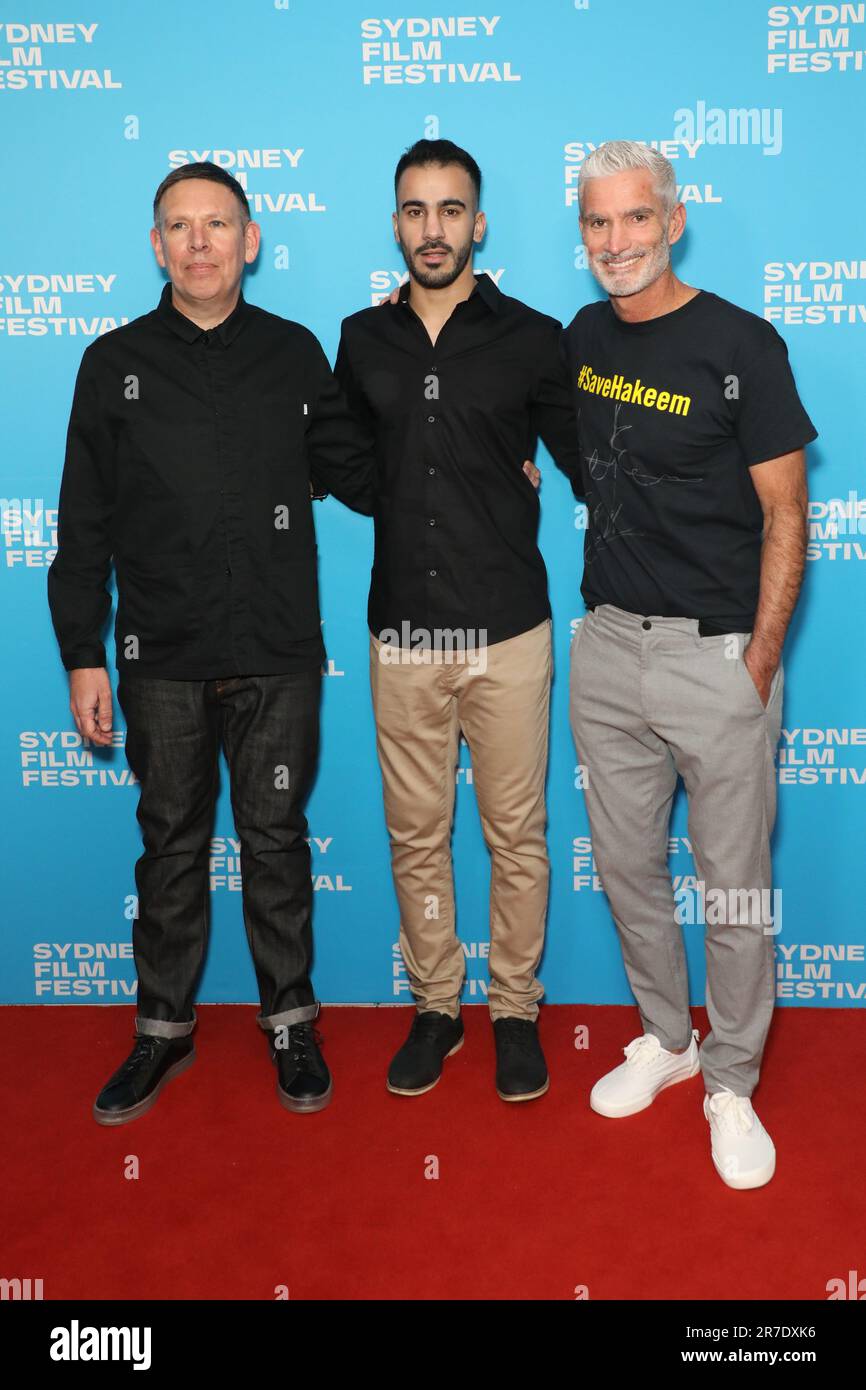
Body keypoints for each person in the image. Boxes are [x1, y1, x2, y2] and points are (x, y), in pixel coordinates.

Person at [47, 162, 375, 1125]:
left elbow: (357, 471)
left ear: (251, 241)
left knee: (274, 839)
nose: (199, 242)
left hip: (277, 650)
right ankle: (163, 1031)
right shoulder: (112, 364)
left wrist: (470, 449)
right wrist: (82, 652)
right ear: (157, 246)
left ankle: (289, 1021)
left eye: (217, 224)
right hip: (159, 657)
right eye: (179, 227)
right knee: (171, 843)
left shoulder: (295, 353)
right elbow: (82, 523)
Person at [565, 141, 816, 1188]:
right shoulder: (578, 337)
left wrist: (757, 659)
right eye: (595, 223)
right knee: (626, 869)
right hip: (606, 647)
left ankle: (729, 1080)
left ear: (671, 221)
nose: (615, 241)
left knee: (734, 889)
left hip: (716, 658)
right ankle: (666, 1037)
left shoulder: (740, 343)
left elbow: (784, 510)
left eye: (634, 219)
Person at [331, 139, 581, 1102]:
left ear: (479, 223)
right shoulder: (361, 338)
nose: (432, 228)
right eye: (414, 209)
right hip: (403, 631)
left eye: (450, 210)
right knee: (417, 833)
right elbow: (333, 449)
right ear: (396, 222)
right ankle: (439, 1005)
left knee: (516, 832)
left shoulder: (533, 335)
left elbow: (585, 459)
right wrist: (400, 491)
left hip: (510, 627)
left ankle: (514, 1010)